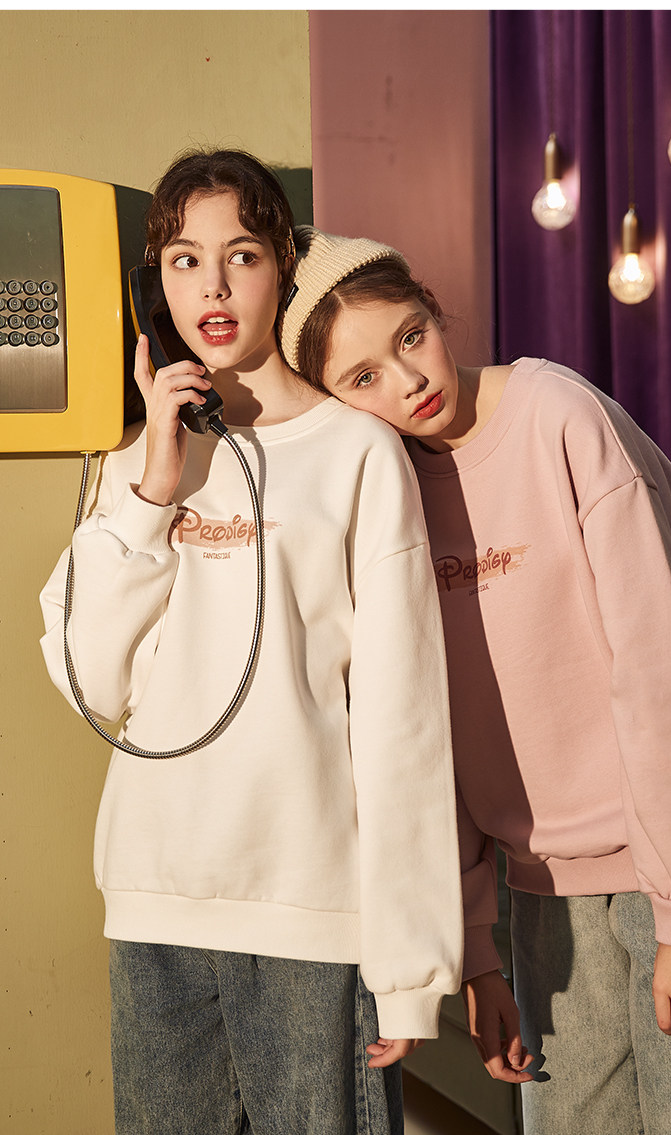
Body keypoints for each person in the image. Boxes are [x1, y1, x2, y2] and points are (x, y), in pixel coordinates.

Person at [279, 225, 671, 1135]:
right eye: (363, 378)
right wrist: (477, 949)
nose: (408, 380)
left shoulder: (558, 414)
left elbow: (660, 664)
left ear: (432, 308)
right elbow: (427, 728)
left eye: (409, 336)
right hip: (541, 890)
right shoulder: (390, 489)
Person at [39, 154, 463, 1135]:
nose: (214, 289)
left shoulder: (357, 451)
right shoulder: (135, 463)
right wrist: (153, 485)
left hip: (310, 913)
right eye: (185, 261)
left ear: (282, 266)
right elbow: (90, 681)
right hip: (153, 908)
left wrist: (410, 966)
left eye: (240, 255)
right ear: (155, 287)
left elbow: (403, 714)